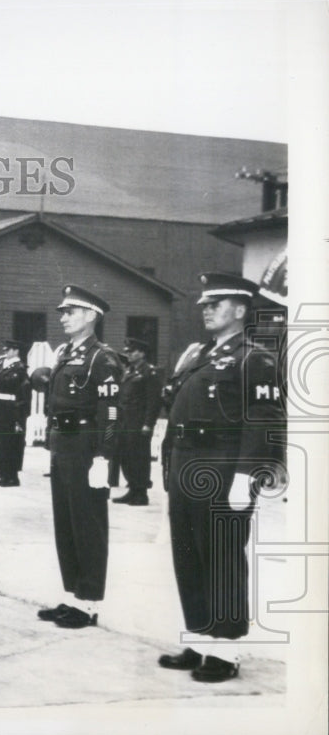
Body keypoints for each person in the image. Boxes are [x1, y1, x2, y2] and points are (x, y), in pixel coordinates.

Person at [157, 273, 285, 683]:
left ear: (241, 309)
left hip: (222, 469)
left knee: (223, 557)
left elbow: (265, 420)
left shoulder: (255, 358)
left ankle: (227, 649)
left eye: (217, 303)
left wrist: (246, 474)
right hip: (185, 465)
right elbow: (175, 405)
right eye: (205, 304)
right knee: (189, 556)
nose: (206, 309)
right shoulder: (199, 354)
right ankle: (199, 639)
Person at [37, 285, 123, 629]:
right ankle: (73, 594)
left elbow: (113, 411)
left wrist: (104, 456)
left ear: (91, 316)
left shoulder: (102, 358)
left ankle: (89, 603)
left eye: (70, 311)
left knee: (88, 524)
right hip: (64, 444)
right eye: (62, 312)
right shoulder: (66, 354)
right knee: (67, 522)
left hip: (87, 447)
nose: (64, 317)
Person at [111, 337, 163, 506]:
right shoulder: (129, 370)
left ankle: (141, 493)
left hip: (139, 423)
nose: (129, 354)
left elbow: (153, 401)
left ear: (142, 353)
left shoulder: (150, 372)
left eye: (132, 351)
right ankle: (132, 489)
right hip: (126, 421)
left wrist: (148, 424)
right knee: (126, 456)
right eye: (128, 351)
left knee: (139, 457)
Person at [0, 340, 31, 487]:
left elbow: (8, 383)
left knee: (10, 443)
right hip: (0, 408)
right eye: (5, 350)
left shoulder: (19, 367)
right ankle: (3, 475)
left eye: (8, 350)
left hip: (11, 409)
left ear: (16, 351)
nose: (5, 353)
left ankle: (12, 477)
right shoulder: (5, 366)